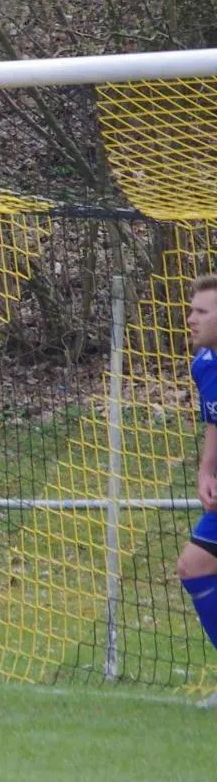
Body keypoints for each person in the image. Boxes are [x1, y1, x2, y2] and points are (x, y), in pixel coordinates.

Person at [177, 274, 217, 709]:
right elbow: (214, 420)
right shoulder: (205, 363)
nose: (190, 319)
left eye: (202, 312)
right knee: (194, 566)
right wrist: (206, 470)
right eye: (191, 310)